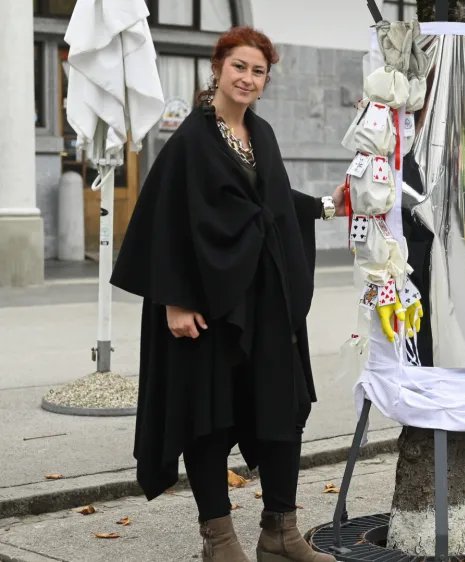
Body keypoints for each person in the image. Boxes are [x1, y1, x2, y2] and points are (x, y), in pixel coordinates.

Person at [111, 27, 342, 562]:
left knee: (281, 409)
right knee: (209, 419)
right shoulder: (189, 142)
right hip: (208, 307)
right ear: (217, 69)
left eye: (258, 71)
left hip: (265, 303)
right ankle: (220, 542)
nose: (247, 78)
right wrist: (174, 299)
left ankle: (280, 533)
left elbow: (273, 201)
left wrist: (330, 206)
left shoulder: (262, 135)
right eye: (239, 66)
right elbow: (164, 221)